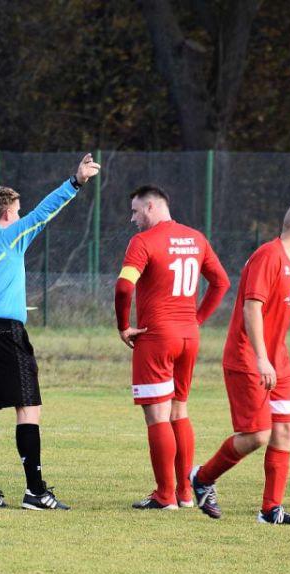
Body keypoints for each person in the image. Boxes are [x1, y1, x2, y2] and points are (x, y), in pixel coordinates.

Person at [0, 154, 101, 510]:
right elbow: (44, 213)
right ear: (6, 214)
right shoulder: (9, 237)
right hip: (7, 333)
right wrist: (75, 182)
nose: (20, 216)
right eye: (17, 211)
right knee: (28, 407)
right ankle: (35, 491)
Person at [188, 202, 290, 524]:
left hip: (276, 360)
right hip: (248, 358)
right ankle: (202, 477)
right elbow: (252, 307)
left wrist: (287, 351)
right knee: (258, 434)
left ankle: (271, 510)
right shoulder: (268, 256)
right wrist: (261, 357)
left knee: (285, 429)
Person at [115, 185, 230, 510]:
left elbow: (123, 287)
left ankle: (165, 495)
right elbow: (221, 282)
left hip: (155, 336)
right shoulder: (196, 238)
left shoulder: (143, 242)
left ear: (151, 206)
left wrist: (123, 325)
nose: (133, 219)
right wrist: (196, 320)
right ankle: (185, 493)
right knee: (179, 410)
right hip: (188, 337)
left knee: (157, 417)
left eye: (136, 211)